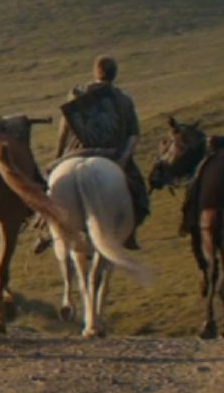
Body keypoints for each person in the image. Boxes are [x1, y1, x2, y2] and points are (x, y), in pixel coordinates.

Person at [50, 54, 150, 249]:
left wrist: (58, 157)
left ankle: (45, 229)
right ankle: (129, 233)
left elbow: (65, 128)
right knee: (138, 191)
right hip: (112, 154)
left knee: (49, 186)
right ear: (114, 74)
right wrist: (123, 160)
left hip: (77, 152)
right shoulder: (123, 100)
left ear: (95, 72)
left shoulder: (78, 95)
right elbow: (133, 135)